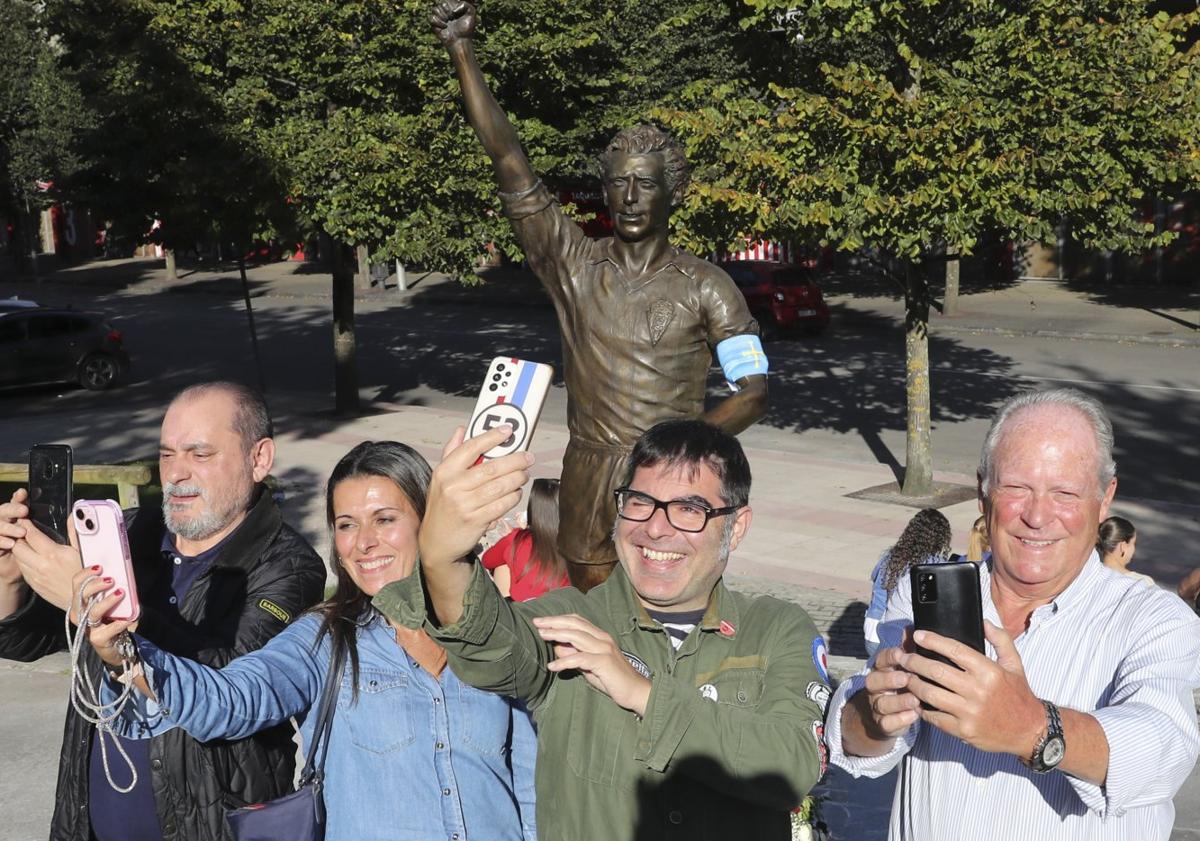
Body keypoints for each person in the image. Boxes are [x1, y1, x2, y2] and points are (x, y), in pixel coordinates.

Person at [432, 0, 768, 592]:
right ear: (606, 193)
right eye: (619, 183)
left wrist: (681, 451)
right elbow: (510, 161)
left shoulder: (707, 285)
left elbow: (754, 391)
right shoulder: (576, 267)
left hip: (671, 477)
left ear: (673, 193)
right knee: (590, 609)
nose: (632, 196)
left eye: (646, 183)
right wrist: (462, 49)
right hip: (590, 471)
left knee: (667, 603)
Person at [375, 419, 828, 840]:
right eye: (640, 502)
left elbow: (792, 766)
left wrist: (642, 693)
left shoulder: (776, 628)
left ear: (736, 525)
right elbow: (488, 640)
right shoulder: (570, 621)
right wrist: (441, 559)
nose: (655, 528)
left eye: (689, 509)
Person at [84, 441, 537, 841]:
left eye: (385, 519)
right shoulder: (324, 640)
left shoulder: (492, 634)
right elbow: (233, 698)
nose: (364, 542)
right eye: (346, 525)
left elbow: (531, 783)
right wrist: (126, 653)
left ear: (429, 521)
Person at [825, 387, 1200, 840]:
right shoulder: (925, 596)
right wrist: (874, 712)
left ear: (1103, 500)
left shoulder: (1155, 618)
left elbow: (1164, 749)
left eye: (1065, 492)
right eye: (1017, 487)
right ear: (984, 492)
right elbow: (860, 746)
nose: (1038, 516)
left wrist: (1032, 728)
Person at [0, 381, 327, 841]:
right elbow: (24, 641)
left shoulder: (288, 566)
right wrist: (9, 578)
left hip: (211, 827)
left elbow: (228, 681)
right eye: (167, 454)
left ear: (260, 459)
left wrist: (104, 613)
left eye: (200, 454)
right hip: (85, 824)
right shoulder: (132, 532)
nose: (176, 473)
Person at [862, 508, 952, 658]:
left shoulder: (890, 557)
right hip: (900, 635)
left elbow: (875, 578)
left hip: (871, 632)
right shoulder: (934, 565)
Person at [483, 477, 569, 601]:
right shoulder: (577, 542)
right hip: (565, 609)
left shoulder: (516, 539)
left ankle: (503, 613)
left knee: (502, 564)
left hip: (524, 612)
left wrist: (513, 538)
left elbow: (487, 560)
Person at [1097, 515, 1153, 587]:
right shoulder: (1143, 582)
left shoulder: (1086, 575)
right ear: (1123, 547)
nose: (1133, 549)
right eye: (1133, 543)